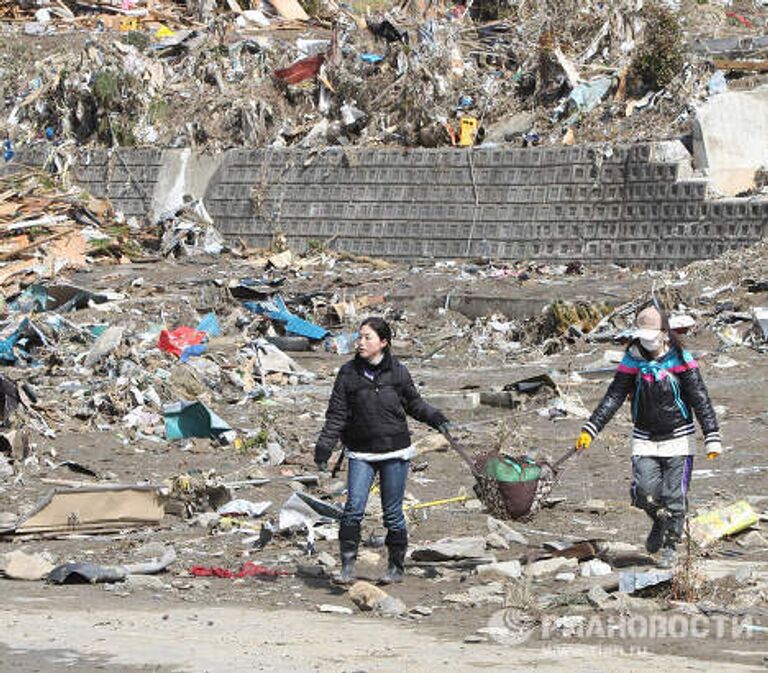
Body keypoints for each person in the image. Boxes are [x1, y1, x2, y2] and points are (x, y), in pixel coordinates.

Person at [574, 303, 722, 569]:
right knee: (644, 493)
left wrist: (712, 435)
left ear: (665, 333)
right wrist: (590, 429)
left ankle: (670, 546)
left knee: (674, 496)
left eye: (652, 337)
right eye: (642, 337)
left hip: (679, 437)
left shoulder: (682, 360)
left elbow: (700, 399)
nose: (648, 343)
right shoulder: (632, 360)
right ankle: (660, 520)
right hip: (644, 437)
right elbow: (614, 396)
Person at [314, 317, 450, 585]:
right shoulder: (348, 374)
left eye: (367, 338)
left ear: (383, 343)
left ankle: (396, 568)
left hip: (395, 452)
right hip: (361, 453)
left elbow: (414, 404)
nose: (361, 343)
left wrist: (437, 419)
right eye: (359, 337)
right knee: (353, 509)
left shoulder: (398, 371)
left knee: (393, 513)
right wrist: (324, 447)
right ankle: (347, 569)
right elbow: (336, 415)